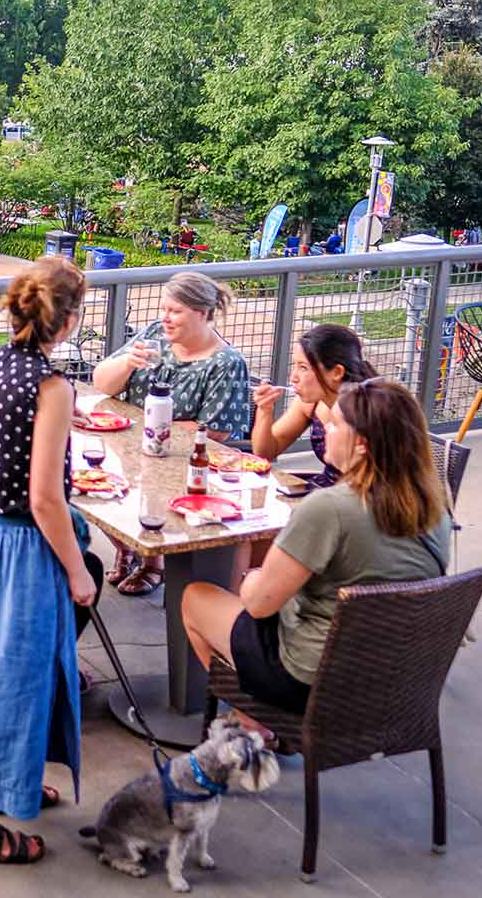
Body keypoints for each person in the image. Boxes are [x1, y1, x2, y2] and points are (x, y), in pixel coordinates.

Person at [180, 379, 452, 727]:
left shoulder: (329, 508)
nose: (326, 427)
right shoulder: (435, 508)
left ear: (363, 445)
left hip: (314, 679)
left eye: (336, 423)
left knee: (195, 597)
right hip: (396, 677)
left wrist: (251, 579)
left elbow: (259, 604)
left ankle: (253, 725)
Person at [0, 257, 104, 866]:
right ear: (66, 321)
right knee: (21, 685)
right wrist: (76, 571)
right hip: (21, 549)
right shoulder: (52, 387)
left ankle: (9, 782)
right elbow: (45, 498)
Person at [92, 271, 253, 596]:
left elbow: (217, 431)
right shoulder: (155, 337)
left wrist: (150, 430)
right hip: (133, 449)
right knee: (90, 489)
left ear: (203, 313)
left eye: (174, 311)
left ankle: (156, 564)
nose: (164, 318)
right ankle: (128, 548)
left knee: (138, 486)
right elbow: (102, 382)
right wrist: (126, 364)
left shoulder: (225, 363)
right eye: (163, 309)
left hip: (187, 462)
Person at [249, 325, 378, 488]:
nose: (293, 377)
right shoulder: (311, 403)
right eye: (294, 365)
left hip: (361, 499)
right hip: (326, 492)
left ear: (337, 372)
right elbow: (265, 453)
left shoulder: (369, 409)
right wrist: (264, 410)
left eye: (303, 367)